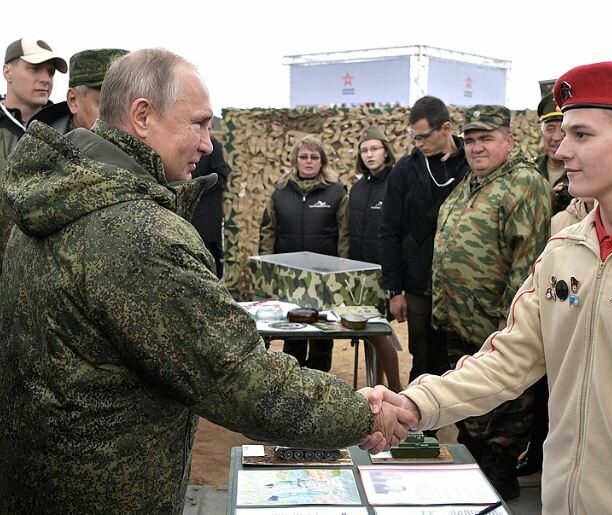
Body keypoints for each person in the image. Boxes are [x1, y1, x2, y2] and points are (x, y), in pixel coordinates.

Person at [0, 48, 413, 515]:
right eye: (198, 123)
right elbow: (241, 380)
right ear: (142, 116)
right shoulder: (138, 235)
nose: (208, 143)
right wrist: (362, 412)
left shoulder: (54, 198)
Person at [369, 61, 612, 514]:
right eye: (563, 135)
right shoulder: (564, 251)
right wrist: (413, 404)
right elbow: (506, 361)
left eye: (582, 135)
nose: (561, 153)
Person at [432, 105, 551, 499]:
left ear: (509, 140)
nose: (476, 147)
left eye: (486, 139)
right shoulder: (472, 182)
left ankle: (496, 493)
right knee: (471, 419)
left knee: (500, 430)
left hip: (497, 330)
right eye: (470, 140)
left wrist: (510, 322)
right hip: (461, 325)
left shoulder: (523, 183)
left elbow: (527, 260)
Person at [379, 96, 470, 381]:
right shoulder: (404, 171)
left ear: (445, 128)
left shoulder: (473, 164)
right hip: (419, 286)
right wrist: (394, 290)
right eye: (412, 136)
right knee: (423, 358)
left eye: (423, 136)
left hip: (462, 287)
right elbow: (389, 231)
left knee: (463, 361)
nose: (417, 143)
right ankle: (423, 424)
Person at [259, 134, 348, 372]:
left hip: (324, 277)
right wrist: (267, 272)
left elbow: (344, 234)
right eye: (303, 157)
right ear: (295, 160)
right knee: (293, 331)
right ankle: (294, 379)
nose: (308, 161)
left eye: (314, 157)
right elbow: (268, 232)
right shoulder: (280, 192)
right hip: (290, 277)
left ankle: (320, 377)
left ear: (322, 161)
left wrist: (342, 273)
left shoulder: (336, 192)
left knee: (321, 332)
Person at [0, 38, 67, 274]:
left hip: (44, 275)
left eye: (50, 72)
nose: (45, 79)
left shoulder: (67, 129)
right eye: (34, 69)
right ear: (7, 70)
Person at [348, 126, 403, 391]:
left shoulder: (396, 183)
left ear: (385, 150)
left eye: (374, 149)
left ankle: (395, 388)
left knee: (381, 334)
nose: (370, 155)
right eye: (364, 150)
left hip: (387, 273)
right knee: (371, 335)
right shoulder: (357, 189)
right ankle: (377, 385)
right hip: (361, 275)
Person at [33, 48, 129, 133]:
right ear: (73, 100)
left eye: (126, 105)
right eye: (106, 106)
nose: (119, 116)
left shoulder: (140, 145)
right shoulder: (40, 149)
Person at [191, 136, 229, 278]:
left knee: (211, 256)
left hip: (207, 214)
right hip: (187, 215)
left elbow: (221, 176)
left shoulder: (213, 146)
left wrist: (196, 188)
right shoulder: (181, 142)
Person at [535, 93, 571, 213]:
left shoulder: (585, 172)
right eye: (550, 129)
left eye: (562, 130)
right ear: (541, 133)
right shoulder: (530, 172)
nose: (556, 137)